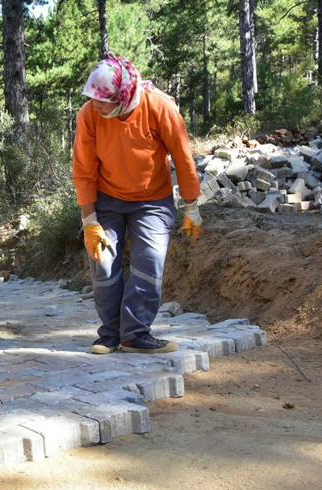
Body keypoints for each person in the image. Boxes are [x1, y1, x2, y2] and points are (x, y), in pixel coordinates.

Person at [71, 53, 202, 355]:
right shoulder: (89, 115)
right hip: (107, 199)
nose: (96, 105)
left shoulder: (159, 106)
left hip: (153, 200)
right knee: (102, 263)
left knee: (149, 263)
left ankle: (135, 334)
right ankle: (110, 334)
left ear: (123, 95)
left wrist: (191, 205)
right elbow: (84, 169)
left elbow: (183, 157)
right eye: (92, 98)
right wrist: (89, 220)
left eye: (103, 100)